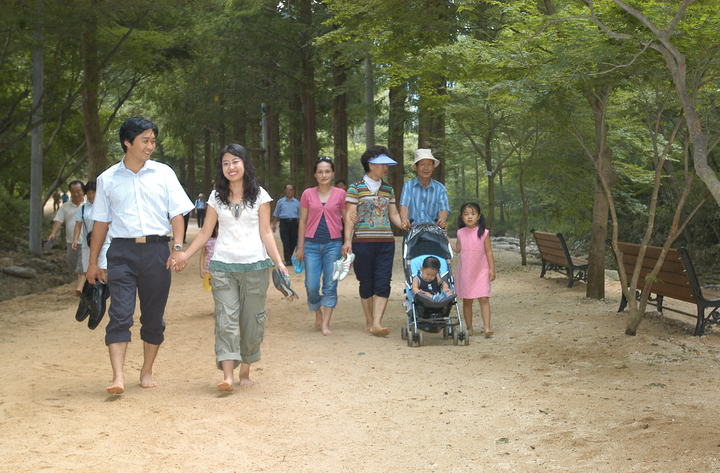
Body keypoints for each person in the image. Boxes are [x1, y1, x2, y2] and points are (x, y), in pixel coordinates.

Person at [86, 116, 194, 395]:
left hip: (157, 250)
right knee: (120, 313)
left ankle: (146, 371)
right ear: (127, 142)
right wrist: (93, 264)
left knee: (153, 316)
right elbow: (100, 224)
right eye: (145, 140)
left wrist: (178, 247)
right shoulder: (107, 179)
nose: (150, 146)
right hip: (121, 251)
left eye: (153, 141)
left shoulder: (164, 173)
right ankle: (118, 377)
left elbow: (177, 213)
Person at [174, 143, 288, 391]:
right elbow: (206, 232)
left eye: (235, 161)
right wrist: (185, 254)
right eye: (225, 163)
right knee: (225, 319)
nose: (230, 167)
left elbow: (266, 231)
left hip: (255, 267)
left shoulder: (261, 196)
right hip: (223, 267)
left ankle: (245, 370)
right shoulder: (216, 196)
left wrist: (278, 262)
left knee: (251, 321)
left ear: (245, 164)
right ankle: (227, 375)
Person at [343, 145, 403, 336]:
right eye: (382, 164)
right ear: (370, 165)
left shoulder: (388, 189)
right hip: (362, 242)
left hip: (386, 242)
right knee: (366, 282)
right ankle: (369, 320)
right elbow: (350, 216)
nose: (386, 167)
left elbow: (393, 214)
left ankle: (377, 323)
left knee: (383, 281)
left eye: (387, 164)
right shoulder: (355, 188)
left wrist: (405, 224)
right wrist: (347, 241)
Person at [296, 157, 347, 336]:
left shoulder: (341, 194)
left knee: (330, 284)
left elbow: (347, 219)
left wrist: (347, 242)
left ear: (332, 173)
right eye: (320, 172)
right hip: (311, 245)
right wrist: (300, 247)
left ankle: (325, 323)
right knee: (311, 285)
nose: (324, 175)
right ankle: (317, 311)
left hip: (334, 244)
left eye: (327, 171)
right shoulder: (307, 194)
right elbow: (302, 222)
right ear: (315, 175)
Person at [447, 202, 496, 337]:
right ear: (462, 217)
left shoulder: (484, 233)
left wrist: (492, 269)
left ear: (479, 216)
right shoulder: (460, 232)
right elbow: (458, 249)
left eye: (473, 214)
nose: (470, 217)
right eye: (466, 214)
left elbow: (489, 251)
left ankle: (487, 327)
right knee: (467, 300)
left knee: (484, 298)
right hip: (466, 271)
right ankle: (469, 328)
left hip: (481, 270)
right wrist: (447, 239)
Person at [72, 180, 111, 292]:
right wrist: (75, 239)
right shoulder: (83, 208)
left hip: (104, 242)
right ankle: (91, 290)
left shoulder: (105, 206)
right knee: (87, 268)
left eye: (93, 192)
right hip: (87, 243)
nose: (91, 195)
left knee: (102, 267)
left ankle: (101, 291)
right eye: (88, 193)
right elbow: (78, 225)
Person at [399, 149, 450, 231]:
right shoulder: (408, 186)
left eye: (429, 164)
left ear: (433, 167)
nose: (426, 168)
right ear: (416, 167)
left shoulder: (440, 188)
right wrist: (405, 220)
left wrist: (442, 220)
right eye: (422, 164)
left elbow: (443, 210)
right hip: (412, 232)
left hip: (434, 232)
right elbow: (404, 206)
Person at [48, 180, 85, 288]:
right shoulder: (65, 206)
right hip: (71, 242)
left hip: (85, 242)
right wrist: (53, 233)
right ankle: (76, 286)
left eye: (78, 191)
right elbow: (59, 220)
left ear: (83, 191)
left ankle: (80, 287)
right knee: (73, 266)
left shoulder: (88, 205)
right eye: (73, 191)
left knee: (81, 265)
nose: (76, 194)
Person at [272, 184, 301, 265]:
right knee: (286, 242)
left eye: (291, 189)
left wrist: (301, 227)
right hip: (284, 223)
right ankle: (288, 260)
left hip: (294, 223)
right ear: (285, 191)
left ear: (293, 191)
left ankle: (289, 256)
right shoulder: (280, 202)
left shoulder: (297, 202)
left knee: (294, 242)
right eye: (287, 189)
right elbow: (276, 214)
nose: (289, 191)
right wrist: (274, 225)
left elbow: (300, 215)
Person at [199, 222, 218, 291]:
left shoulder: (223, 240)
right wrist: (201, 268)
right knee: (211, 289)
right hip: (209, 270)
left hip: (221, 270)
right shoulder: (207, 240)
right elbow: (203, 255)